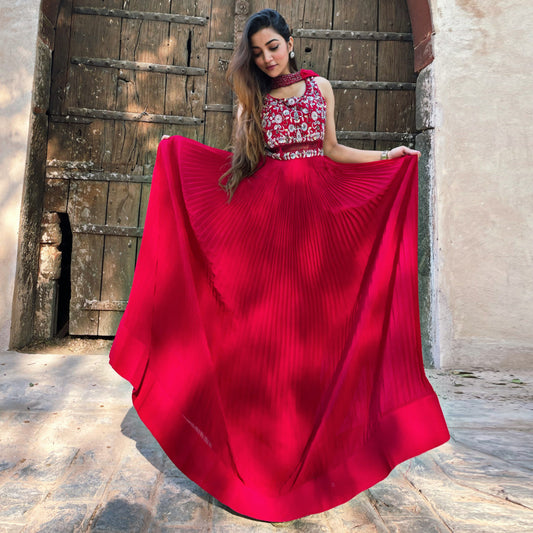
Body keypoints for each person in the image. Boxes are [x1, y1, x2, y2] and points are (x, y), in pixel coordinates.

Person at [110, 8, 449, 523]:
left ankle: (314, 453)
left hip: (317, 222)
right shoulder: (253, 98)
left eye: (274, 46)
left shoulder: (321, 87)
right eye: (259, 51)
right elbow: (241, 161)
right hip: (266, 222)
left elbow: (332, 149)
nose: (267, 58)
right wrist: (178, 155)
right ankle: (260, 458)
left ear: (291, 42)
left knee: (315, 336)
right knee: (263, 337)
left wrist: (388, 159)